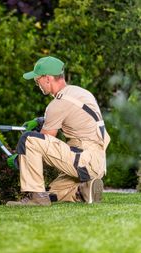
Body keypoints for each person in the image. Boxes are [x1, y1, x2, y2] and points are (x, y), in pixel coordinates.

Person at [6, 56, 111, 206]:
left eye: (37, 79)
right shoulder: (79, 92)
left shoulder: (57, 104)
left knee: (28, 139)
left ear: (48, 78)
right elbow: (74, 118)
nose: (36, 83)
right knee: (51, 191)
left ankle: (36, 198)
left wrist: (19, 159)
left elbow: (44, 143)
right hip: (97, 162)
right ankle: (83, 191)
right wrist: (40, 121)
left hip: (84, 160)